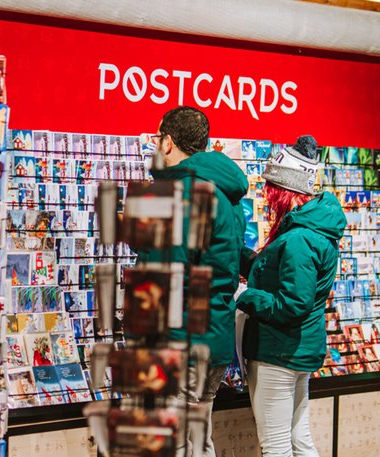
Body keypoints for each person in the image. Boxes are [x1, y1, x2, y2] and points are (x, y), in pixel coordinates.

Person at [138, 106, 249, 457]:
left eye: (158, 139)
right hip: (214, 339)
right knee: (198, 438)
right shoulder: (226, 195)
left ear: (168, 143)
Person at [236, 135, 346, 457]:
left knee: (277, 446)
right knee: (299, 439)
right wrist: (240, 257)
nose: (268, 197)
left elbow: (292, 303)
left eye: (272, 190)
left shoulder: (299, 238)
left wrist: (243, 295)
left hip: (279, 352)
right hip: (297, 349)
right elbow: (279, 273)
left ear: (287, 191)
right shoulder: (310, 229)